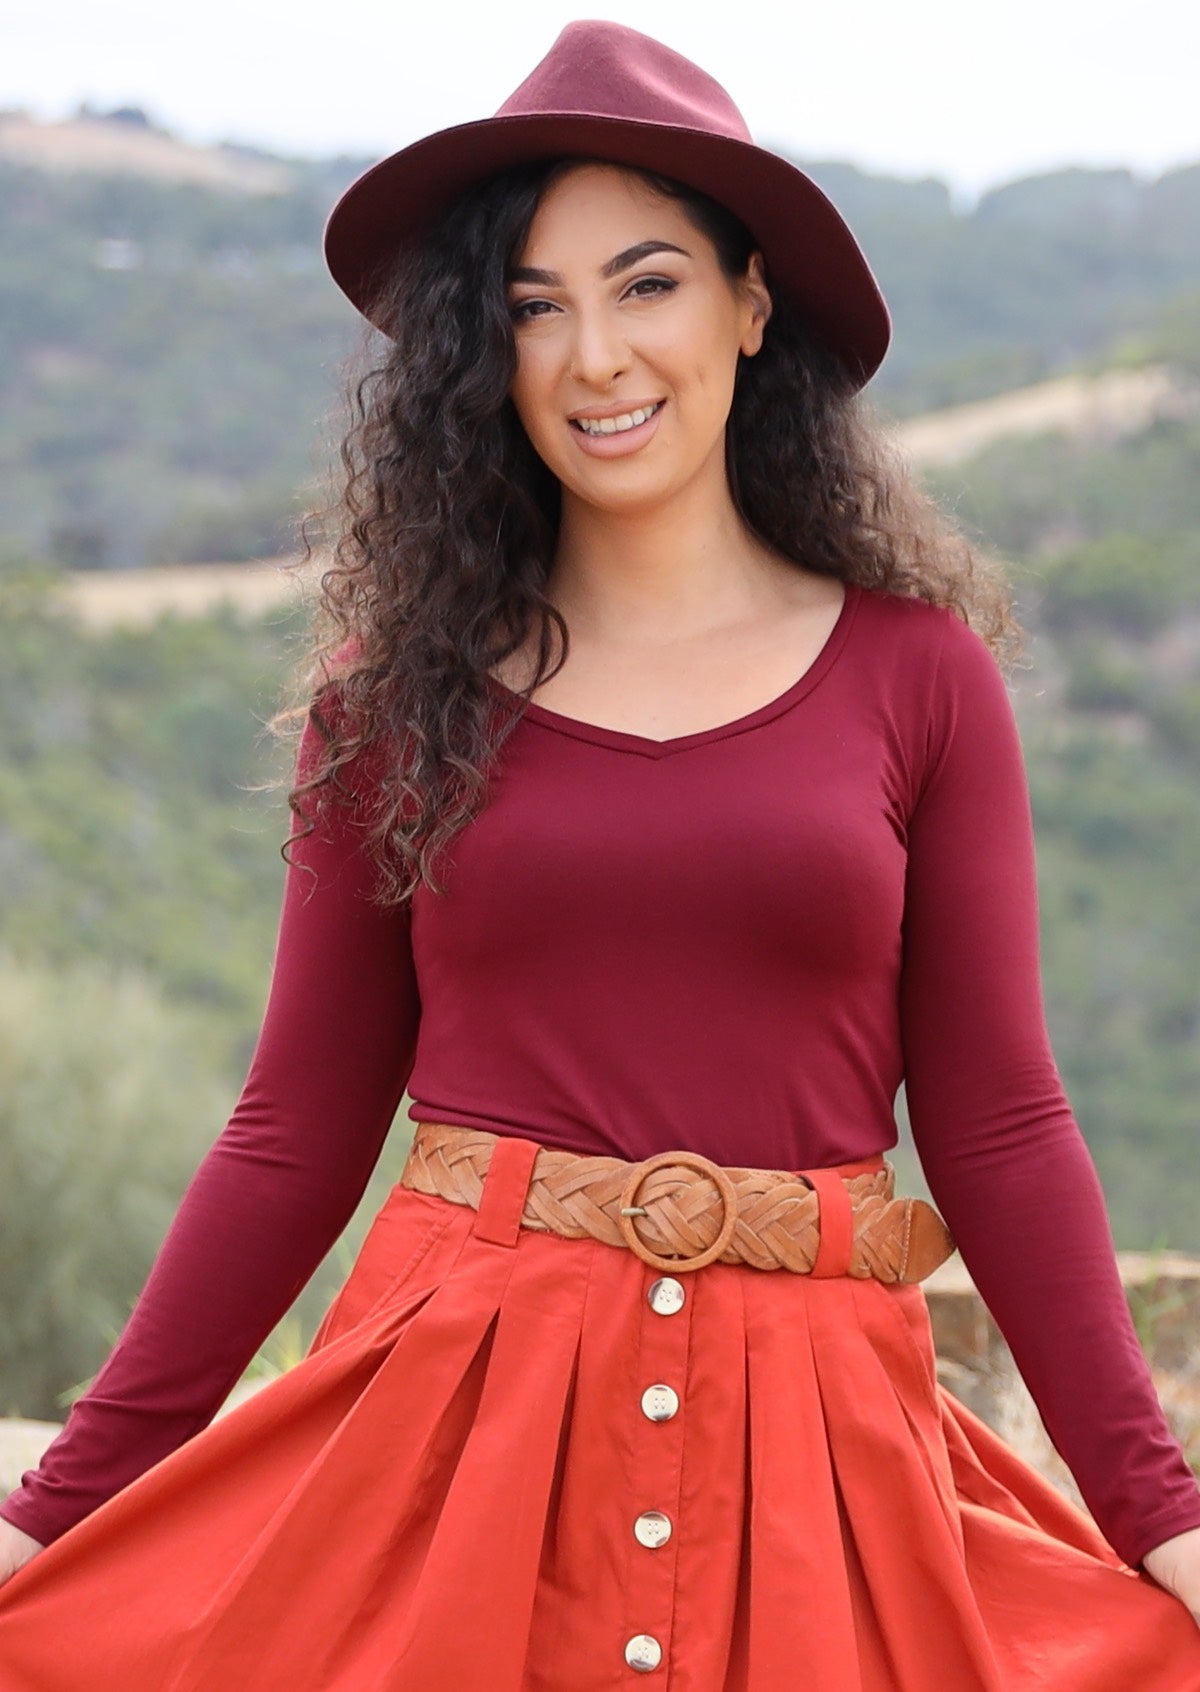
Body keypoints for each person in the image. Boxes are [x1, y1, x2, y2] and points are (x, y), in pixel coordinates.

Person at [0, 19, 1198, 1689]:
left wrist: (1163, 1518)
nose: (594, 356)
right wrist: (52, 1514)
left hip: (818, 1458)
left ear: (750, 305)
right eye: (532, 306)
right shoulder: (390, 702)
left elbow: (999, 1122)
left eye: (647, 285)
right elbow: (295, 1129)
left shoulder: (922, 681)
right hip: (448, 1439)